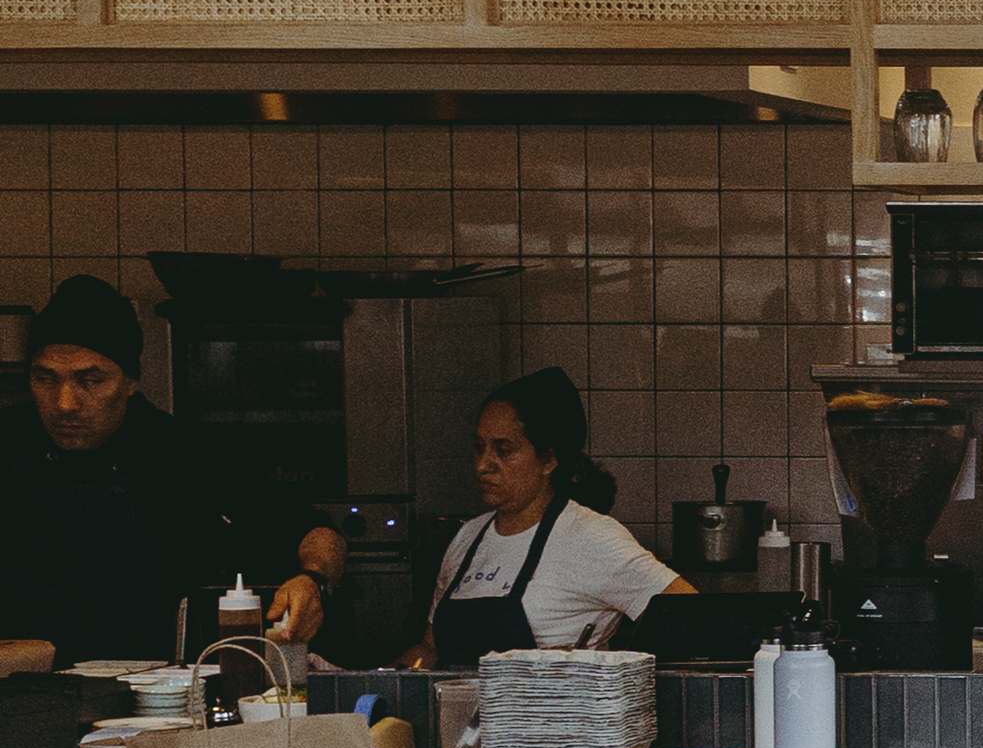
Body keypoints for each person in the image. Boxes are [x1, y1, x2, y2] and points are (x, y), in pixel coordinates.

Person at [0, 273, 339, 673]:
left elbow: (319, 533)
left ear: (130, 382)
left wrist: (312, 580)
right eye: (45, 379)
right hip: (20, 692)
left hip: (155, 694)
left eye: (90, 380)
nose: (65, 403)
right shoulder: (9, 441)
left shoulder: (182, 453)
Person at [403, 370, 689, 663]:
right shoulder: (468, 537)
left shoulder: (591, 537)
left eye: (503, 450)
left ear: (549, 460)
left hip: (560, 709)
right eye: (479, 448)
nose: (483, 465)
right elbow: (430, 649)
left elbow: (692, 620)